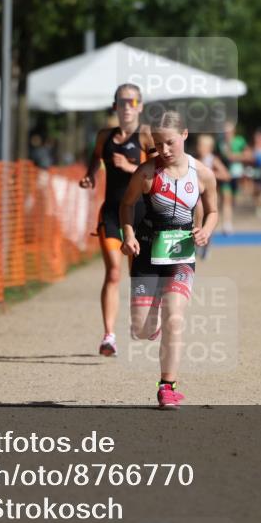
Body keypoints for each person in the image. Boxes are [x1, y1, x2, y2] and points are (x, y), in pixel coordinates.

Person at [120, 111, 218, 409]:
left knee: (175, 318)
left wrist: (206, 231)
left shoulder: (202, 173)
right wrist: (128, 234)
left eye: (170, 143)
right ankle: (153, 326)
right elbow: (127, 205)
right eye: (158, 144)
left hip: (182, 253)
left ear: (185, 135)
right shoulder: (146, 173)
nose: (163, 151)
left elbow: (212, 211)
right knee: (142, 330)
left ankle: (167, 386)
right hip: (149, 250)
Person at [79, 84, 155, 357]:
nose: (126, 106)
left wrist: (131, 168)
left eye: (132, 101)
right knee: (113, 271)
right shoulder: (104, 136)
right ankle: (109, 336)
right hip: (112, 212)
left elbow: (158, 171)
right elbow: (95, 159)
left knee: (138, 274)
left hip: (140, 215)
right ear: (114, 106)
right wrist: (91, 176)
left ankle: (140, 320)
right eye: (122, 102)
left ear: (140, 105)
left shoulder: (146, 136)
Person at [195, 134, 230, 260]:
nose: (199, 148)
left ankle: (207, 246)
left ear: (209, 148)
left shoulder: (212, 160)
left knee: (208, 222)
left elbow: (226, 175)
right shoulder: (194, 160)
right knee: (197, 218)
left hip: (209, 197)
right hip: (196, 197)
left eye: (202, 146)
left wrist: (209, 173)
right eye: (198, 145)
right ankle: (197, 244)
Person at [219, 120, 249, 234]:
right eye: (225, 131)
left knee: (233, 200)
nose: (227, 133)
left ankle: (229, 219)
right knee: (226, 199)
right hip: (225, 175)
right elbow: (217, 157)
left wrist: (236, 157)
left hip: (237, 174)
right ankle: (227, 224)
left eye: (229, 131)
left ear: (233, 131)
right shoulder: (220, 143)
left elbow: (248, 155)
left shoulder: (240, 141)